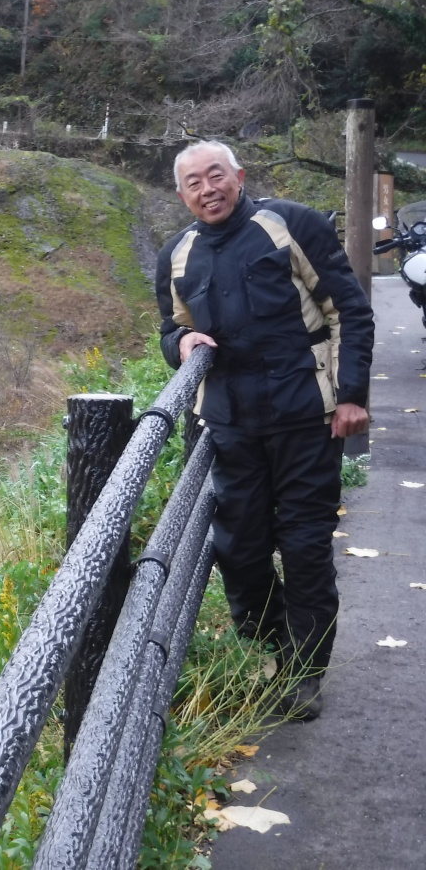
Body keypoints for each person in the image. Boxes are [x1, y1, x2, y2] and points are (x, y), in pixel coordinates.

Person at [156, 140, 374, 721]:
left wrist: (352, 395)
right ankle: (273, 651)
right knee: (240, 552)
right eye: (194, 183)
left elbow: (348, 309)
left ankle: (304, 676)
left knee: (304, 547)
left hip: (306, 415)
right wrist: (180, 343)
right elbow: (169, 328)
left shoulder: (289, 224)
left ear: (238, 176)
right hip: (229, 423)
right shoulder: (178, 254)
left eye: (216, 175)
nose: (208, 189)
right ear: (182, 196)